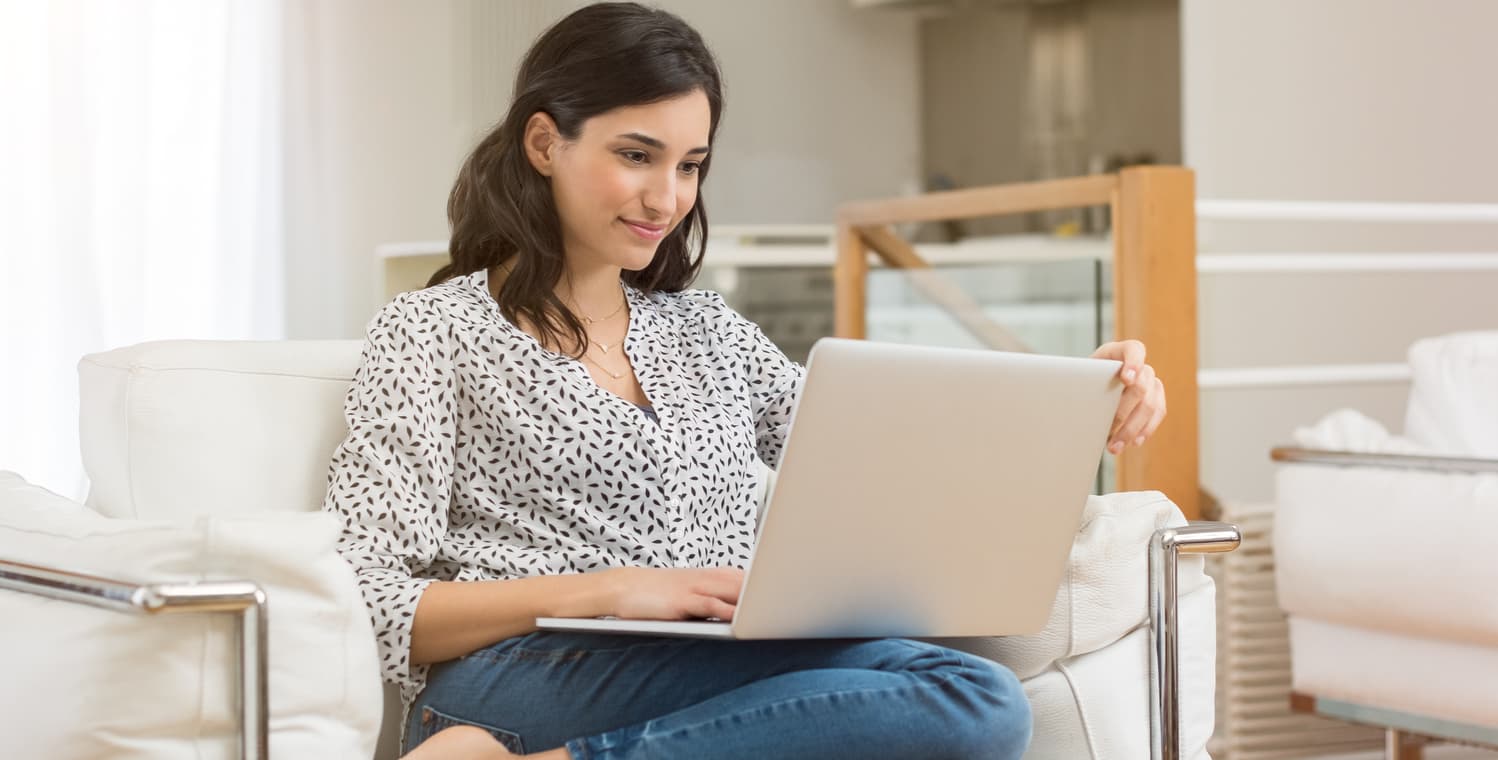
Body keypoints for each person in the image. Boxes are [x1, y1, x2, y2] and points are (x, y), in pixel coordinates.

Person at [323, 4, 1167, 759]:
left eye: (691, 165)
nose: (667, 196)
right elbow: (373, 592)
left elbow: (891, 447)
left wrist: (1083, 399)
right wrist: (616, 590)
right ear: (545, 143)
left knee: (970, 695)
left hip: (716, 660)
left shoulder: (708, 331)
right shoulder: (432, 331)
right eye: (636, 155)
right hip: (518, 673)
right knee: (968, 704)